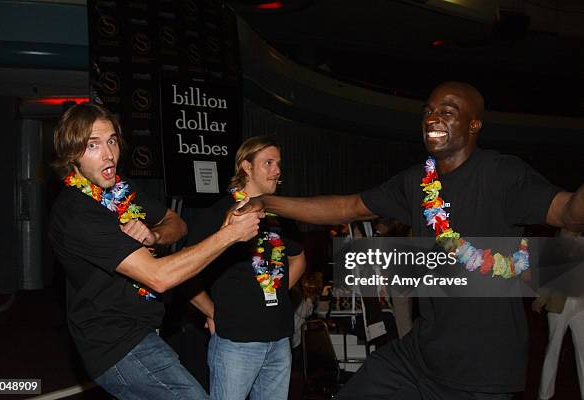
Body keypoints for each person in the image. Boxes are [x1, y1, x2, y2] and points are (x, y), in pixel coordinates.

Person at [239, 82, 583, 399]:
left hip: (481, 368)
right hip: (420, 354)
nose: (432, 118)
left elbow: (569, 212)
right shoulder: (416, 181)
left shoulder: (502, 174)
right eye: (428, 111)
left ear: (474, 125)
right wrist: (267, 202)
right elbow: (349, 206)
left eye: (446, 112)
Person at [49, 103, 262, 399]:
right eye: (93, 145)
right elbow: (159, 276)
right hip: (115, 344)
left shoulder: (120, 189)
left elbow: (176, 224)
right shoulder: (76, 213)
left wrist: (154, 234)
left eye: (112, 140)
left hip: (144, 328)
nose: (109, 153)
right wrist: (229, 235)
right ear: (72, 154)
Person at [186, 136, 306, 400]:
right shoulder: (218, 214)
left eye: (278, 163)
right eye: (268, 163)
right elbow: (186, 274)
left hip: (279, 340)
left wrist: (276, 290)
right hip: (236, 344)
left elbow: (298, 258)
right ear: (246, 166)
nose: (277, 170)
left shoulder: (278, 216)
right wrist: (213, 312)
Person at [533, 230, 584, 400]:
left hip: (580, 305)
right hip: (558, 304)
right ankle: (545, 394)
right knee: (553, 349)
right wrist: (540, 300)